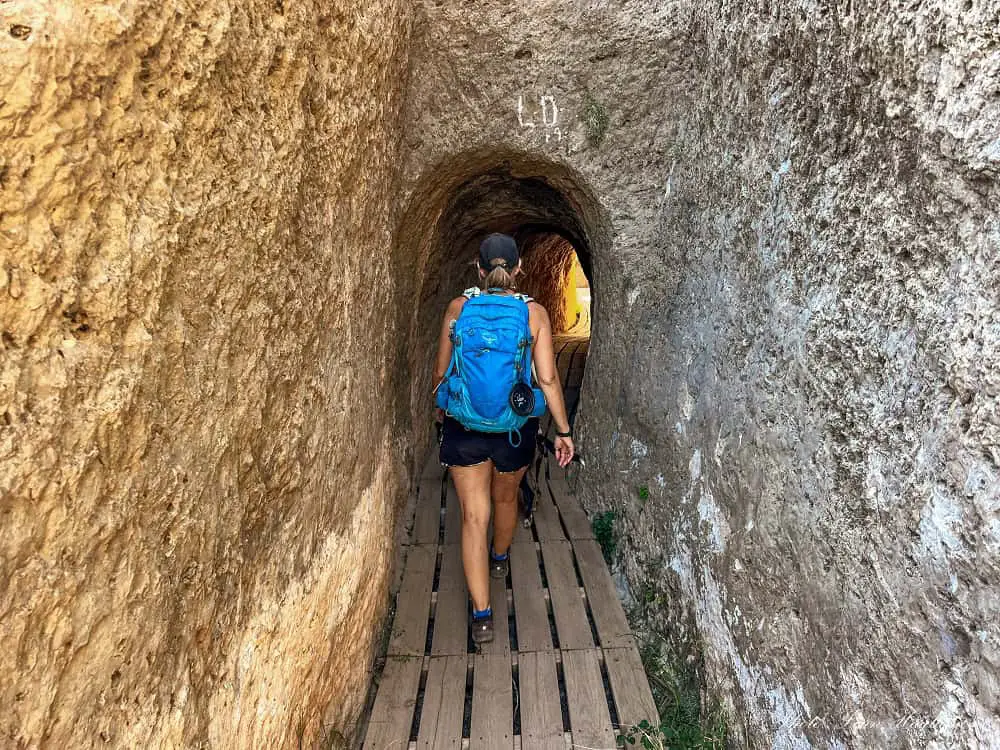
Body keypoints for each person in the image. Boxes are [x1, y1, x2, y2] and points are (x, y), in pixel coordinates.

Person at [433, 233, 575, 644]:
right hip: (514, 428)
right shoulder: (534, 315)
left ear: (478, 269)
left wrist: (442, 412)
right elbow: (547, 379)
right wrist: (563, 432)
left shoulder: (458, 309)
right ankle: (499, 559)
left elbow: (440, 374)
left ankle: (482, 614)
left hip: (465, 428)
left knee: (473, 516)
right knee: (506, 498)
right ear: (518, 271)